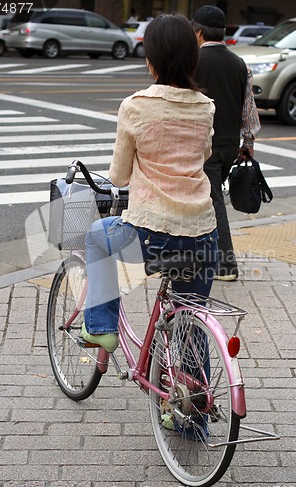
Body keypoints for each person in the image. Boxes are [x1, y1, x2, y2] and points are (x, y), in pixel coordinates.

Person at [82, 13, 218, 353]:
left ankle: (101, 327)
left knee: (96, 236)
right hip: (203, 234)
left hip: (150, 233)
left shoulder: (136, 106)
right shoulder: (206, 108)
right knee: (191, 321)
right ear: (192, 56)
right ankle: (195, 399)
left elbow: (119, 176)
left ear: (151, 59)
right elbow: (202, 155)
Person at [191, 5, 261, 281]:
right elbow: (249, 109)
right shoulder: (239, 64)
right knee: (209, 198)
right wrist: (249, 141)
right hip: (230, 144)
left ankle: (225, 265)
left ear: (198, 31)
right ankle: (201, 257)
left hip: (203, 143)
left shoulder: (191, 61)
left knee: (213, 201)